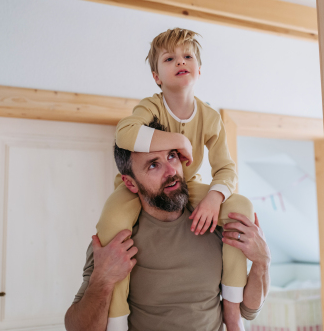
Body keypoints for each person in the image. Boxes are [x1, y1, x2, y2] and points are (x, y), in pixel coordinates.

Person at [96, 28, 254, 330]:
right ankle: (116, 322)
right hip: (137, 189)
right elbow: (124, 133)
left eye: (187, 56)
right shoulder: (151, 105)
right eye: (169, 58)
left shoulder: (210, 117)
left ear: (199, 68)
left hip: (187, 183)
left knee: (241, 207)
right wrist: (177, 142)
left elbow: (226, 169)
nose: (180, 61)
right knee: (112, 223)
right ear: (157, 76)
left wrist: (214, 197)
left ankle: (233, 314)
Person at [65, 119, 270, 331]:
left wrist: (262, 262)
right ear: (130, 183)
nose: (171, 170)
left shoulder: (216, 222)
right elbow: (78, 328)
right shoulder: (117, 240)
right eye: (153, 164)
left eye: (172, 156)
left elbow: (248, 310)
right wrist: (103, 279)